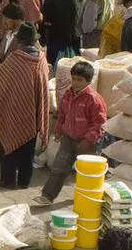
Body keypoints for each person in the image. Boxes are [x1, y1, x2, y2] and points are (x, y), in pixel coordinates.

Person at [0, 24, 51, 190]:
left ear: (19, 42)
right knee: (28, 150)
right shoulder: (42, 60)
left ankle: (8, 180)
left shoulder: (15, 59)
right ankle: (24, 181)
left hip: (13, 109)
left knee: (9, 144)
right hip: (32, 112)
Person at [40, 59, 107, 202]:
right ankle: (47, 196)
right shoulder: (68, 95)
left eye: (80, 80)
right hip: (68, 138)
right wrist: (58, 130)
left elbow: (99, 123)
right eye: (74, 79)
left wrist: (89, 139)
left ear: (88, 81)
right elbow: (62, 114)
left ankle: (89, 198)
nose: (75, 82)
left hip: (87, 142)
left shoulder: (93, 99)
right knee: (58, 168)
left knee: (86, 172)